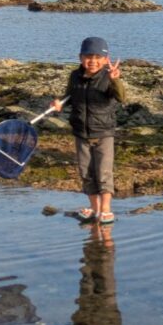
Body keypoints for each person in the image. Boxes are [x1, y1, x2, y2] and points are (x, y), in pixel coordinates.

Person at [52, 36, 126, 225]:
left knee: (104, 173)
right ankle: (94, 208)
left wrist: (115, 80)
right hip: (81, 133)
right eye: (88, 57)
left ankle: (106, 209)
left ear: (105, 59)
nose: (92, 61)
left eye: (97, 57)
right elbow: (69, 96)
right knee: (86, 172)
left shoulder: (109, 77)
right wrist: (59, 103)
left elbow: (121, 97)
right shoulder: (74, 76)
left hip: (104, 132)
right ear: (80, 57)